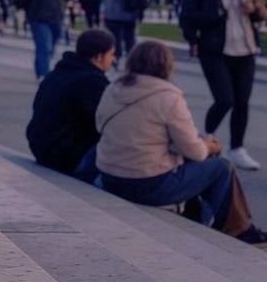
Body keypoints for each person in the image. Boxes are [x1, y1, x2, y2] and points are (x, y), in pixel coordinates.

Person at [95, 41, 266, 247]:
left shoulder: (113, 88)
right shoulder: (168, 96)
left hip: (110, 178)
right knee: (220, 167)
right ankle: (238, 230)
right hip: (147, 185)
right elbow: (196, 152)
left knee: (193, 157)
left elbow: (101, 125)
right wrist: (209, 146)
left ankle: (205, 217)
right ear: (166, 65)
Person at [181, 0, 264, 172]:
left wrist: (254, 10)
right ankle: (205, 138)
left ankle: (237, 148)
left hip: (245, 48)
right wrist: (195, 38)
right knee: (225, 99)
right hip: (215, 49)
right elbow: (187, 15)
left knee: (242, 102)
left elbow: (261, 12)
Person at [26, 28, 115, 181]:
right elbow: (106, 120)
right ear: (99, 56)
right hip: (63, 154)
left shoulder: (58, 73)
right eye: (111, 54)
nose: (113, 59)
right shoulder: (92, 82)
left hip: (40, 146)